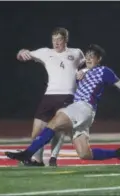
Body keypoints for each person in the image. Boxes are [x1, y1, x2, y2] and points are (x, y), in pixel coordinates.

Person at [6, 44, 120, 167]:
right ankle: (118, 154)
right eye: (87, 56)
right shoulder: (82, 72)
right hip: (81, 112)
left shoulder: (104, 71)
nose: (88, 59)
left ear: (98, 59)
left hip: (83, 108)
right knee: (84, 154)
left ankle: (28, 154)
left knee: (54, 122)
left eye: (92, 57)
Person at [16, 27, 86, 166]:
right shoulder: (45, 52)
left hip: (68, 95)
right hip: (49, 95)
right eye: (54, 40)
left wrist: (84, 71)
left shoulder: (76, 52)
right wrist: (21, 52)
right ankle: (38, 160)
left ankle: (53, 158)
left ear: (66, 40)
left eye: (59, 40)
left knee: (59, 129)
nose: (56, 43)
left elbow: (90, 65)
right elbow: (21, 55)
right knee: (36, 131)